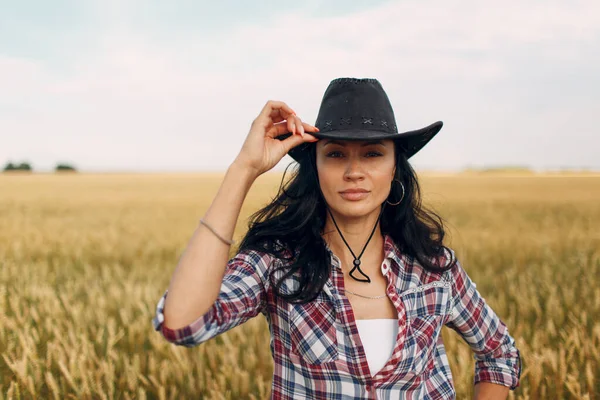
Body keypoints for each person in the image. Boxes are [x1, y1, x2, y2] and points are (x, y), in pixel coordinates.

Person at [152, 77, 521, 399]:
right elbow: (183, 323)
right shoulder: (278, 264)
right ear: (316, 166)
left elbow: (499, 352)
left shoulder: (433, 267)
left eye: (373, 154)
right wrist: (244, 168)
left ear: (395, 169)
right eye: (336, 154)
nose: (354, 171)